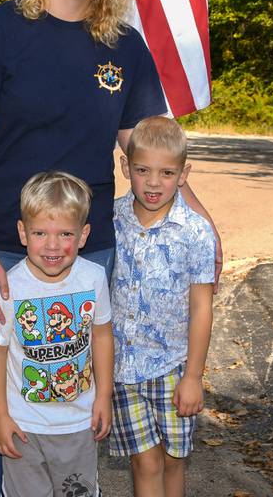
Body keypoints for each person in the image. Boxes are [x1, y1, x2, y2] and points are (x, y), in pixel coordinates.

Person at [0, 0, 221, 496]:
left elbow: (148, 151)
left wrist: (200, 226)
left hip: (90, 255)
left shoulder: (123, 47)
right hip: (3, 248)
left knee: (74, 403)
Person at [0, 171, 113, 496]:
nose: (52, 245)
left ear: (83, 236)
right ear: (22, 233)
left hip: (78, 423)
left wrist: (104, 396)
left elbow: (102, 336)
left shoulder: (94, 279)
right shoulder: (10, 287)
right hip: (24, 425)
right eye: (40, 232)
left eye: (65, 233)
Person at [108, 116, 216, 497]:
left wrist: (194, 377)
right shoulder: (110, 220)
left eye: (167, 173)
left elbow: (202, 306)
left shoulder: (195, 231)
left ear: (183, 174)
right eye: (143, 170)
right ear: (126, 167)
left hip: (173, 366)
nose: (154, 183)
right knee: (145, 461)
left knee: (173, 460)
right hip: (122, 367)